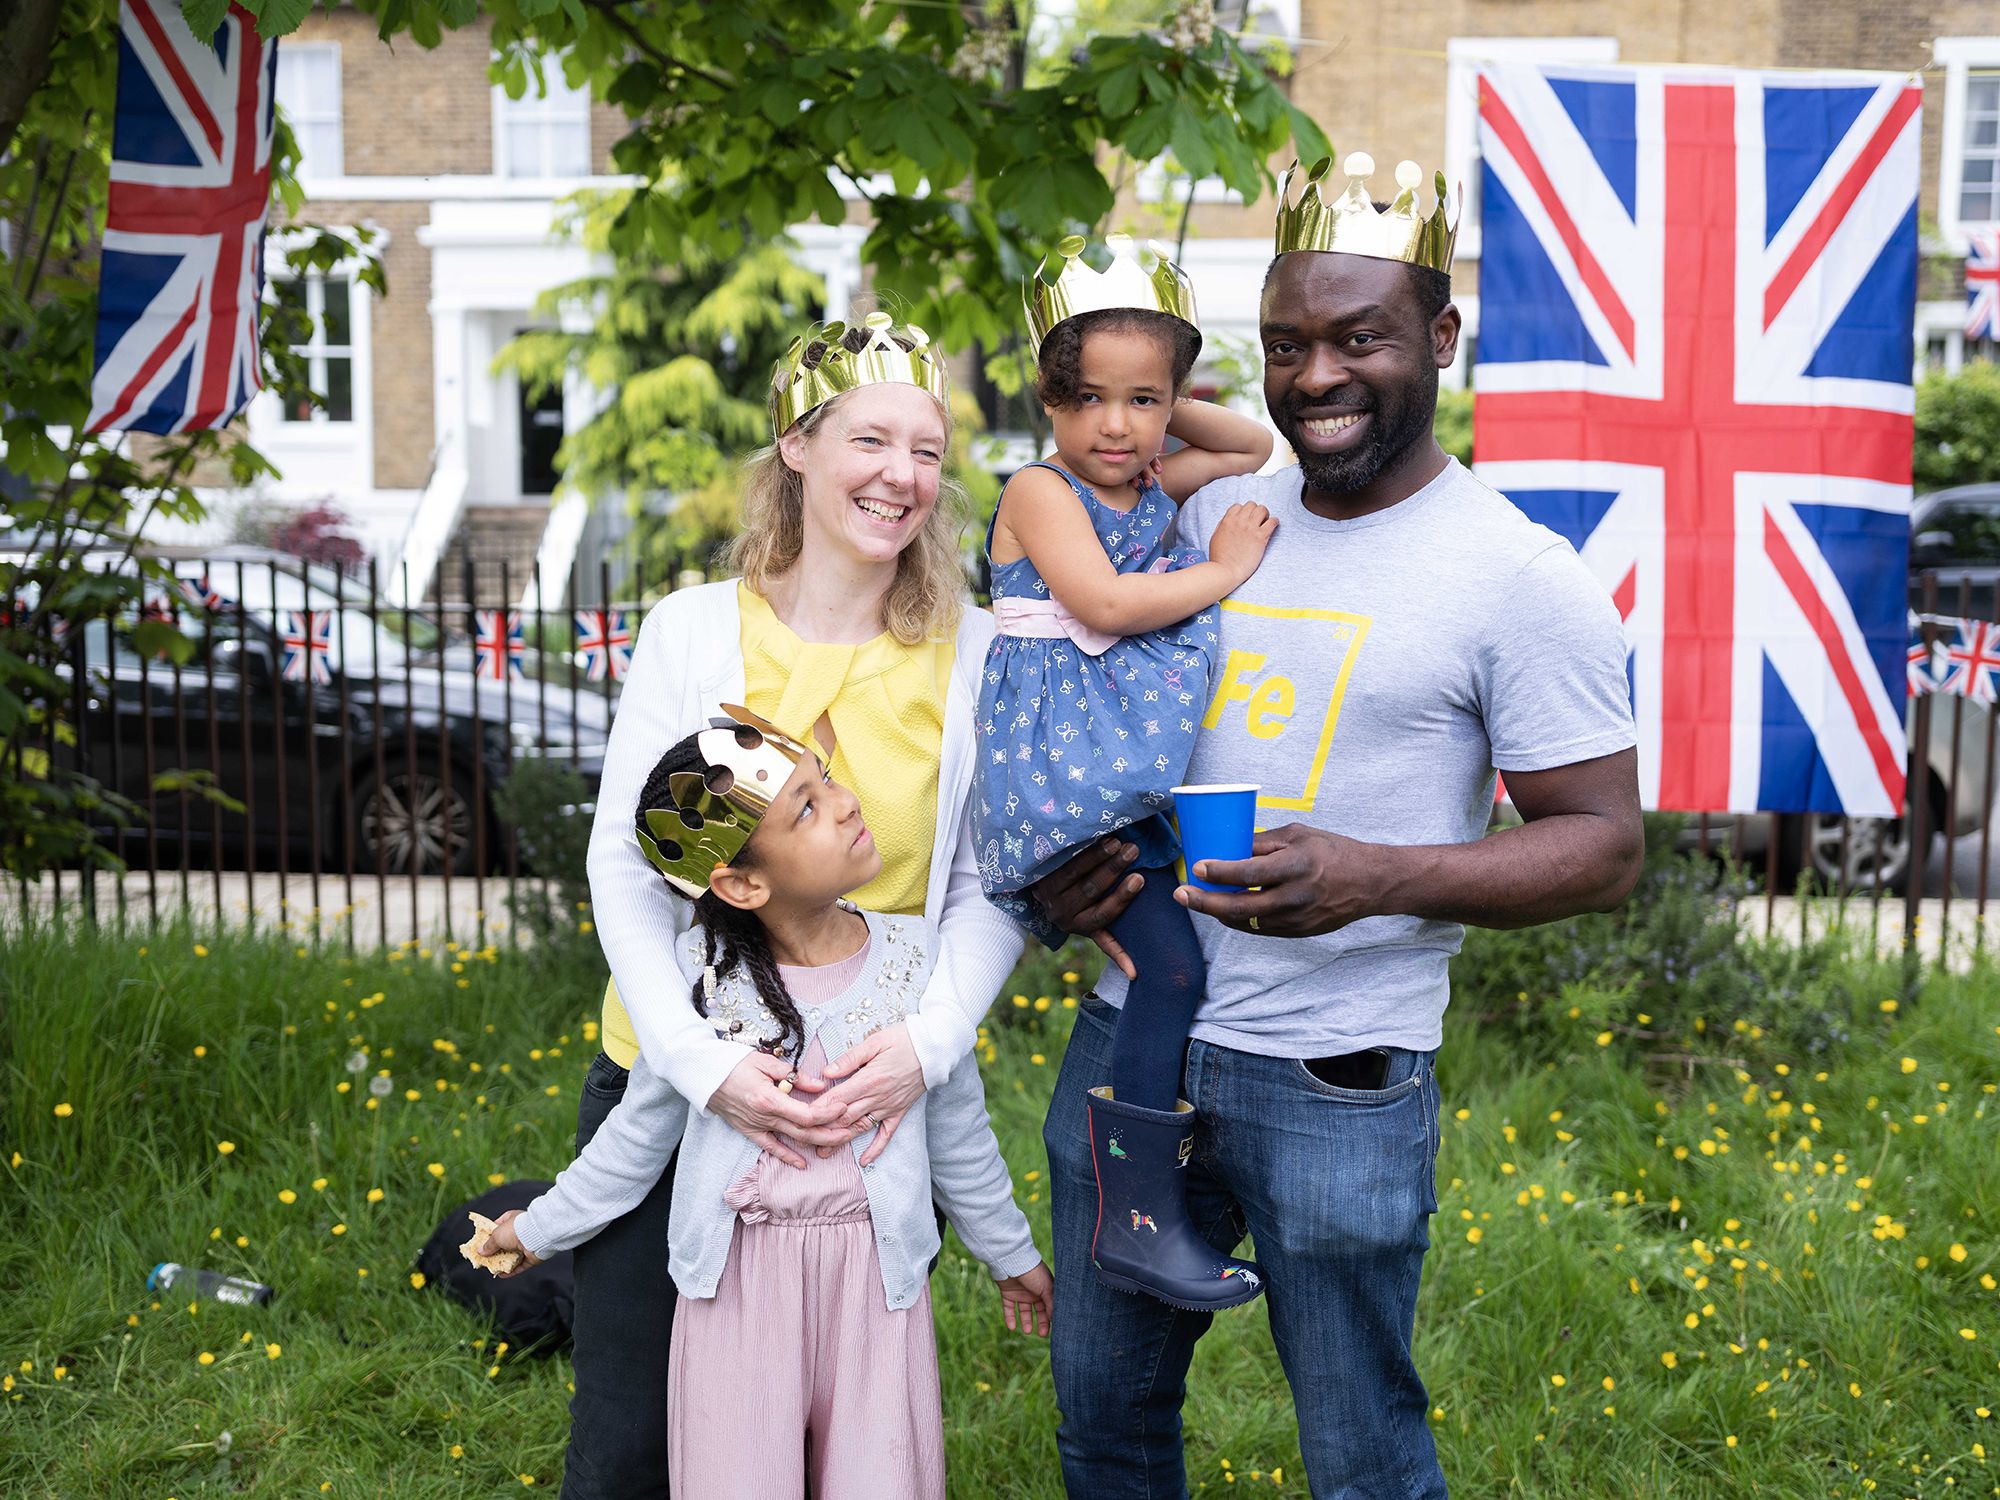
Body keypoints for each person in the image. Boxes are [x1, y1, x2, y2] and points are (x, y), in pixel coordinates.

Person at [1030, 153, 1645, 1497]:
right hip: (1129, 1043)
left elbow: (1604, 845)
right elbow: (1072, 709)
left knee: (1362, 1454)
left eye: (1359, 336)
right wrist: (1068, 868)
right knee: (1103, 1428)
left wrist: (1375, 876)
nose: (1315, 376)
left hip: (1335, 1086)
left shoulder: (1517, 578)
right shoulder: (1197, 516)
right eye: (1288, 342)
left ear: (1439, 335)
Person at [561, 313, 1025, 1499]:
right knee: (633, 1441)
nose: (902, 476)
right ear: (798, 447)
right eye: (872, 440)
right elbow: (627, 863)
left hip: (868, 1104)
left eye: (927, 452)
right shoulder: (695, 633)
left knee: (844, 1444)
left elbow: (982, 883)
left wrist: (924, 1048)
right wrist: (696, 1059)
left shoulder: (966, 652)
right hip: (677, 1088)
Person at [480, 713, 1053, 1499]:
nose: (847, 803)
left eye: (826, 781)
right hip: (737, 1297)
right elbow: (632, 1145)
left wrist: (1011, 1256)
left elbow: (961, 1138)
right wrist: (534, 1228)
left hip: (875, 1296)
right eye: (807, 809)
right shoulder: (700, 991)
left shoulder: (918, 963)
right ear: (743, 883)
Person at [974, 234, 1276, 1310]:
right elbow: (1101, 605)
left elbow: (1243, 443)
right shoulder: (1040, 488)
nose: (1115, 425)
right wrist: (1222, 568)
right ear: (1049, 402)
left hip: (1105, 777)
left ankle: (1145, 1211)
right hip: (1060, 782)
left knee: (1175, 961)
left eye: (1141, 402)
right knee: (1175, 971)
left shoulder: (1146, 473)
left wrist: (1166, 389)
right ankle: (1140, 1218)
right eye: (1088, 397)